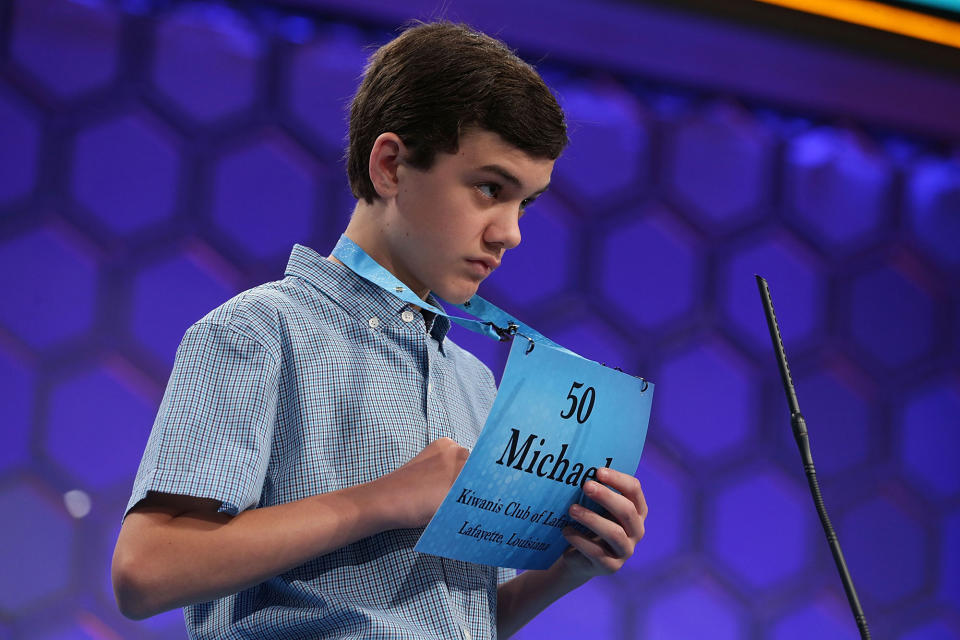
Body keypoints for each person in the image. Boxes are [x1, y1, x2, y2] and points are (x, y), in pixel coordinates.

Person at [112, 20, 648, 639]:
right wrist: (381, 501)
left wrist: (568, 566)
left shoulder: (471, 380)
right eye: (489, 188)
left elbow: (457, 622)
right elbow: (145, 570)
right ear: (391, 165)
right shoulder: (260, 329)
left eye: (523, 202)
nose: (510, 232)